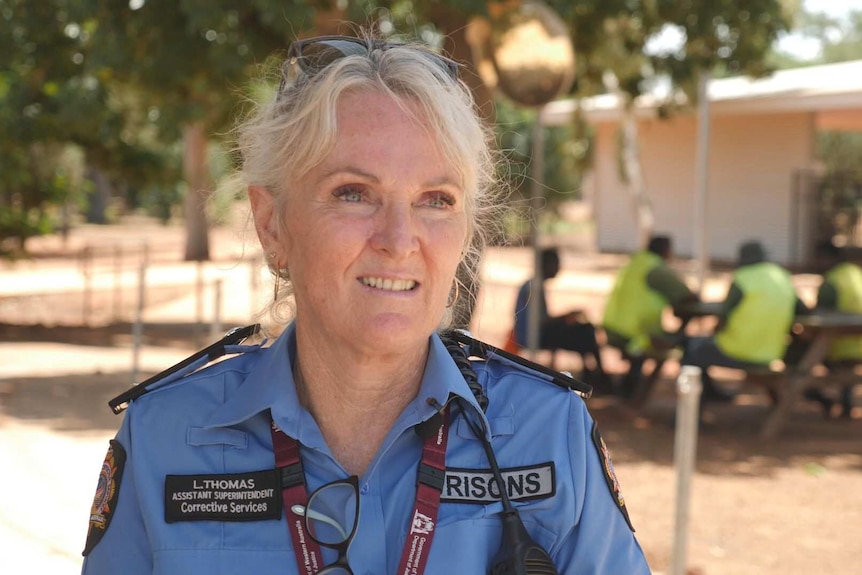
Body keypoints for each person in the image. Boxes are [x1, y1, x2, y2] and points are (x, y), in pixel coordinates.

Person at [80, 34, 651, 574]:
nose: (400, 240)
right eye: (353, 193)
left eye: (436, 200)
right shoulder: (165, 437)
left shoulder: (549, 432)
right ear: (272, 224)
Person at [680, 240, 808, 402]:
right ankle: (712, 395)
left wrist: (716, 331)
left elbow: (723, 316)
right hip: (772, 352)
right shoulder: (783, 277)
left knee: (691, 350)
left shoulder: (743, 278)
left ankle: (694, 409)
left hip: (737, 350)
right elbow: (803, 310)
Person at [602, 235, 698, 396]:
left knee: (668, 342)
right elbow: (684, 295)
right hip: (635, 334)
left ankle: (630, 388)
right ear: (667, 251)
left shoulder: (635, 262)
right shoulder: (655, 269)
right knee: (684, 346)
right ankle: (638, 394)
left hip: (612, 326)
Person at [513, 246, 607, 387]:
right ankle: (600, 376)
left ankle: (595, 373)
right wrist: (567, 316)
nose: (558, 268)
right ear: (546, 265)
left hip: (535, 332)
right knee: (585, 331)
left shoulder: (532, 284)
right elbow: (539, 322)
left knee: (583, 330)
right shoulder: (534, 287)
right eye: (556, 264)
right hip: (531, 336)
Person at [804, 242, 861, 417]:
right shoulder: (856, 274)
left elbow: (818, 319)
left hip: (840, 345)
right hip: (857, 342)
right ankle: (845, 402)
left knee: (800, 356)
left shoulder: (832, 282)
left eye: (818, 258)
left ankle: (818, 397)